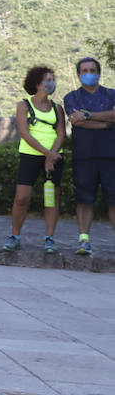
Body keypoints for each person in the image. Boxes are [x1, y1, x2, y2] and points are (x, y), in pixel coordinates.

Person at [2, 66, 66, 255]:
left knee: (51, 199)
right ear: (37, 83)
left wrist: (52, 155)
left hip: (54, 157)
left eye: (52, 79)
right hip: (31, 155)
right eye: (48, 79)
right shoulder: (24, 105)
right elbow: (24, 133)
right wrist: (47, 154)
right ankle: (15, 236)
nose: (51, 83)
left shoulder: (57, 108)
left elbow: (61, 134)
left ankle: (49, 238)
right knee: (21, 198)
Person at [62, 57, 115, 256]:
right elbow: (77, 121)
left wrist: (88, 115)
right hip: (84, 156)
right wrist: (107, 122)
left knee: (114, 201)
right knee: (85, 200)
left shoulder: (112, 94)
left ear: (99, 73)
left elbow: (86, 118)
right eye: (84, 70)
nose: (88, 73)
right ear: (78, 74)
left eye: (92, 69)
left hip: (111, 156)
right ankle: (84, 240)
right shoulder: (72, 97)